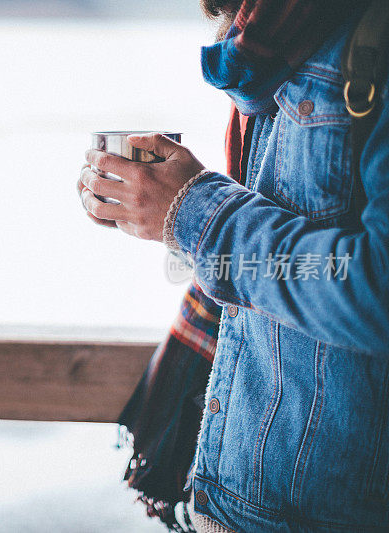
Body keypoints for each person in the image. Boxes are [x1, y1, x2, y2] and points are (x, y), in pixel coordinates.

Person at [78, 0, 389, 531]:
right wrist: (161, 212)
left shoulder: (367, 39)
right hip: (236, 501)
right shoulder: (276, 45)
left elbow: (376, 288)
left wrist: (195, 211)